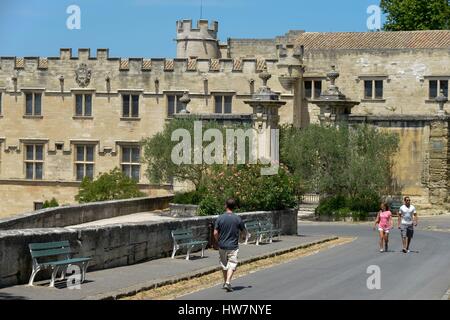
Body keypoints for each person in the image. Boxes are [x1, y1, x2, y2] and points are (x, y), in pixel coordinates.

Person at [214, 198, 247, 292]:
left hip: (222, 245)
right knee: (232, 264)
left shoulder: (220, 218)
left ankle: (226, 283)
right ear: (234, 207)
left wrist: (218, 241)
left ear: (225, 205)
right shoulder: (237, 218)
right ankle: (228, 282)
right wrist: (243, 237)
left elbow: (215, 233)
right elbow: (244, 231)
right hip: (233, 246)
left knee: (224, 264)